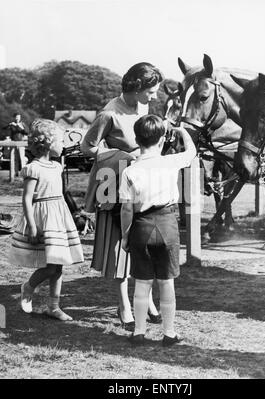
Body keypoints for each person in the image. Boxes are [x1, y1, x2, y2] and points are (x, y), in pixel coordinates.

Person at [81, 62, 163, 330]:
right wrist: (120, 156)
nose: (154, 97)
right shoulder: (109, 113)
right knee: (120, 247)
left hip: (142, 183)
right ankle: (123, 305)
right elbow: (87, 146)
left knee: (144, 242)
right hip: (115, 183)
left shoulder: (144, 107)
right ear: (137, 86)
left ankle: (147, 300)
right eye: (151, 91)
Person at [119, 115, 196, 346]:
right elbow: (191, 152)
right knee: (166, 283)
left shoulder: (129, 171)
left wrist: (125, 235)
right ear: (162, 139)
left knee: (142, 283)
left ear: (136, 138)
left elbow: (126, 209)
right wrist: (182, 132)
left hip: (141, 226)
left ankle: (139, 331)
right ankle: (169, 333)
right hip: (167, 223)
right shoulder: (171, 161)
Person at [10, 119, 84, 321]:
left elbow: (62, 195)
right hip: (43, 218)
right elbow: (26, 199)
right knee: (51, 266)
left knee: (59, 264)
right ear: (48, 143)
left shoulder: (57, 167)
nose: (63, 145)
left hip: (58, 216)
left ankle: (54, 306)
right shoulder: (34, 168)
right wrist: (32, 226)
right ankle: (28, 286)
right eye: (61, 140)